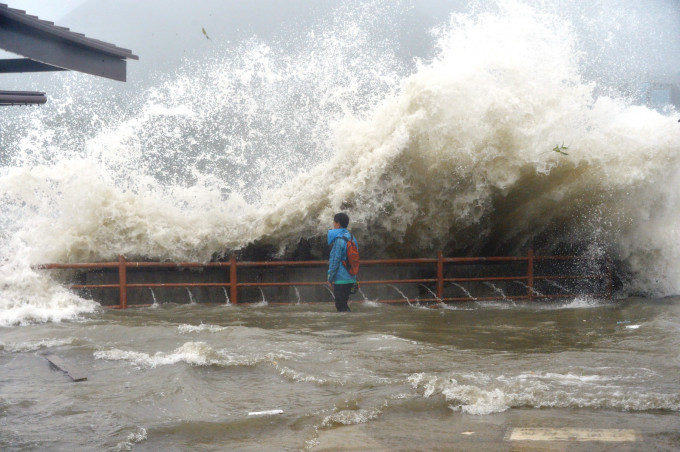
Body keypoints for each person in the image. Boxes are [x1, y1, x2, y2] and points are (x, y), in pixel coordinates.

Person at [327, 212, 358, 312]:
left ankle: (345, 326)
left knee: (340, 306)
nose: (333, 224)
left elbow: (335, 260)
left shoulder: (339, 239)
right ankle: (348, 325)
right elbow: (355, 259)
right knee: (343, 305)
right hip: (351, 277)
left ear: (338, 224)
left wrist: (330, 277)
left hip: (341, 278)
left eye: (334, 222)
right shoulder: (352, 237)